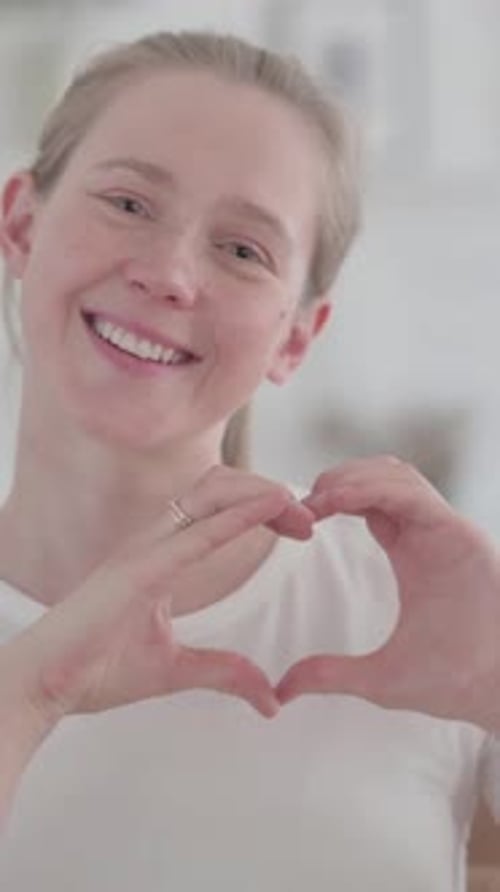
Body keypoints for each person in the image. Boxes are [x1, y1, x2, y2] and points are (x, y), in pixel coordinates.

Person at [0, 28, 498, 891]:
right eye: (127, 202)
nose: (169, 275)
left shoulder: (420, 614)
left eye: (242, 250)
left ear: (297, 337)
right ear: (19, 225)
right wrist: (27, 698)